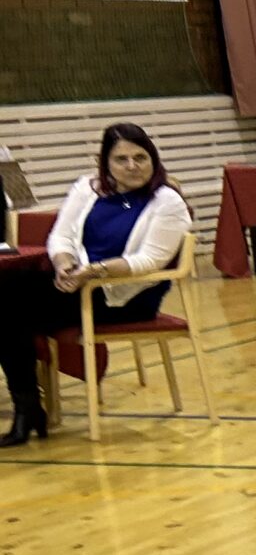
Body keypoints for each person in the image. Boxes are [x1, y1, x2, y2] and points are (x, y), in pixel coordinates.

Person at [0, 125, 194, 446]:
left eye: (140, 158)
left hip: (126, 296)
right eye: (121, 159)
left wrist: (92, 272)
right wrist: (64, 264)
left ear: (153, 159)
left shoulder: (167, 201)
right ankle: (28, 407)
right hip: (81, 283)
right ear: (105, 163)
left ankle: (28, 410)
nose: (132, 166)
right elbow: (60, 237)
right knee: (8, 295)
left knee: (10, 308)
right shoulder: (86, 188)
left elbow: (149, 261)